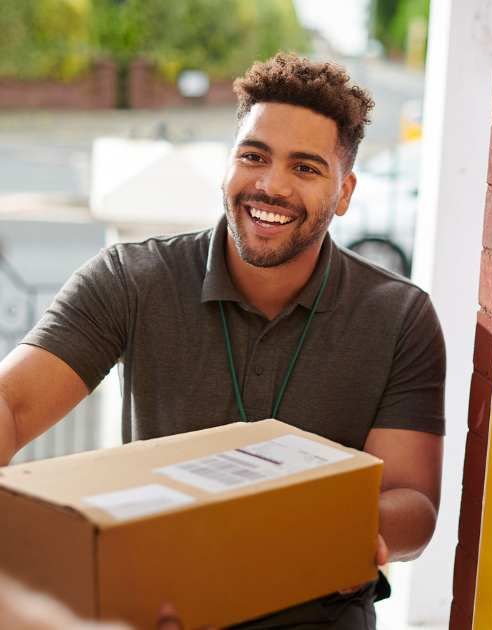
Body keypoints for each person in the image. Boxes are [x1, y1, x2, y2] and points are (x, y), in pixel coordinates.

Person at [0, 53, 445, 628]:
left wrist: (318, 534)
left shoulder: (399, 316)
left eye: (306, 168)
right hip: (159, 610)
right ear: (227, 164)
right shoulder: (132, 278)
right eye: (253, 156)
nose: (271, 185)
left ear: (344, 191)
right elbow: (12, 403)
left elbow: (415, 503)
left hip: (316, 615)